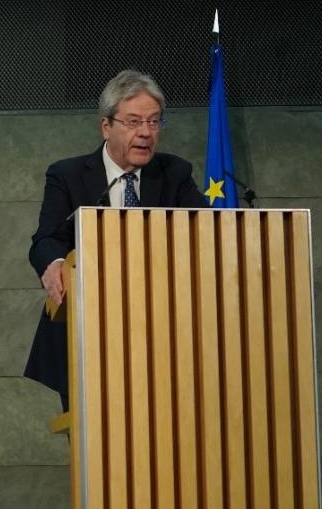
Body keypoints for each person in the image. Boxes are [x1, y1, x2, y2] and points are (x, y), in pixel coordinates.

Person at [25, 70, 206, 407]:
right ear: (106, 126)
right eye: (134, 122)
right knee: (95, 449)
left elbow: (207, 231)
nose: (146, 133)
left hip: (163, 337)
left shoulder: (176, 173)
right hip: (87, 335)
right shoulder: (67, 175)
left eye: (154, 123)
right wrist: (55, 264)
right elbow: (46, 238)